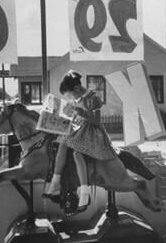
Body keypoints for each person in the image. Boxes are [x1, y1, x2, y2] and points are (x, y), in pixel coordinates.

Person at [44, 70, 117, 209]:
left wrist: (82, 113)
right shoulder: (76, 99)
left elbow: (96, 121)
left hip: (94, 134)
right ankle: (55, 181)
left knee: (76, 152)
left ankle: (84, 193)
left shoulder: (93, 98)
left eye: (70, 95)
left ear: (77, 88)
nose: (70, 98)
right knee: (62, 143)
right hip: (79, 131)